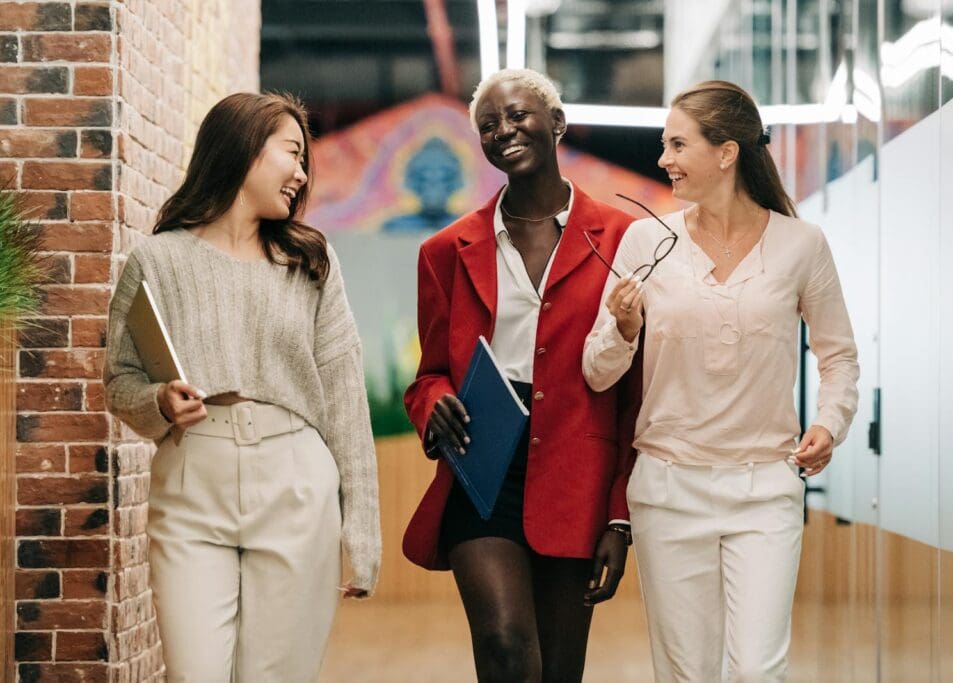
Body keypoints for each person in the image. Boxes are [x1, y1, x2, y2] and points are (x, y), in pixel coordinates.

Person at [582, 80, 859, 682]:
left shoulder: (801, 245)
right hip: (667, 492)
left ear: (726, 152)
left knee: (759, 671)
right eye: (664, 144)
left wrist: (829, 424)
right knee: (687, 673)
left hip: (765, 492)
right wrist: (622, 328)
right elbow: (597, 372)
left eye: (678, 144)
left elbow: (839, 358)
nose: (663, 160)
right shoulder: (645, 241)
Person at [103, 92, 381, 682]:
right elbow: (119, 380)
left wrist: (361, 528)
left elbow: (345, 397)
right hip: (190, 484)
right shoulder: (156, 260)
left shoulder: (310, 263)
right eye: (292, 153)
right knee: (196, 673)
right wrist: (157, 400)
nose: (302, 173)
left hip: (296, 482)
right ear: (245, 150)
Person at [402, 68, 641, 682]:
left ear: (557, 123)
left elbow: (637, 393)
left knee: (559, 670)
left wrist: (620, 515)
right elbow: (427, 374)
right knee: (506, 647)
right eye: (488, 125)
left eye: (517, 116)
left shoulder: (623, 239)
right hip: (481, 467)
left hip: (576, 473)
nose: (503, 130)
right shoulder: (445, 252)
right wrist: (434, 403)